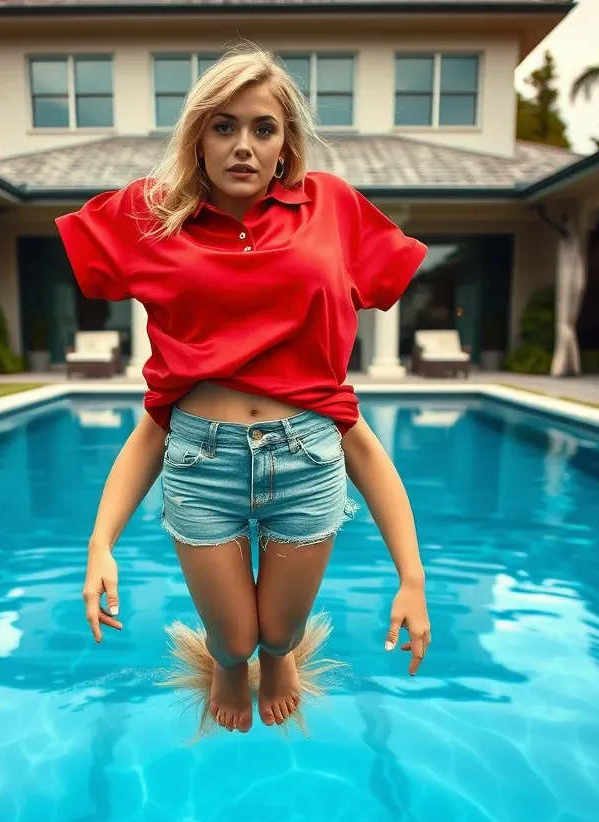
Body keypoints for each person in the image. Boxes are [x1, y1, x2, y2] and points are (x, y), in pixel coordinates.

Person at [57, 44, 432, 735]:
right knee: (234, 641)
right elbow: (154, 422)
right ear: (197, 134)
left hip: (311, 453)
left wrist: (412, 576)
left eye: (263, 128)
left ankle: (281, 655)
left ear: (286, 142)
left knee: (278, 634)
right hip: (200, 460)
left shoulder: (333, 208)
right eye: (223, 126)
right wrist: (98, 545)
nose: (243, 145)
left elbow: (359, 438)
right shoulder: (151, 215)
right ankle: (233, 663)